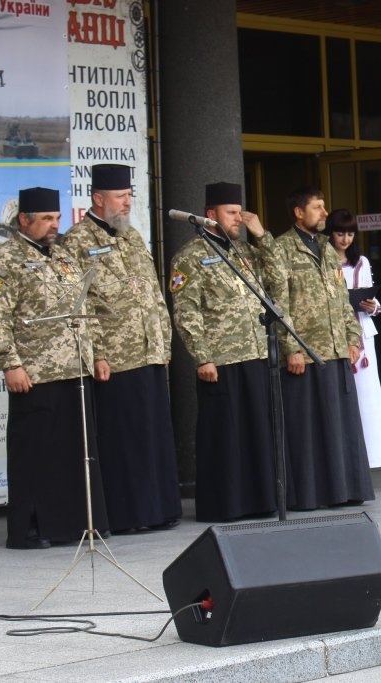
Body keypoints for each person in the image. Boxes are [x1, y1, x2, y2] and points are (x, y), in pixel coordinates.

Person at [0, 187, 109, 548]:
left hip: (74, 367)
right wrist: (10, 364)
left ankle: (72, 523)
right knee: (36, 453)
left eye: (57, 218)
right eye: (47, 219)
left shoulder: (63, 256)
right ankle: (33, 528)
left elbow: (85, 305)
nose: (55, 225)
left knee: (74, 453)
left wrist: (97, 354)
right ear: (24, 220)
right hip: (35, 372)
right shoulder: (5, 261)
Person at [61, 164, 181, 534]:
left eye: (129, 195)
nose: (127, 202)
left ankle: (160, 508)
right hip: (115, 355)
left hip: (149, 349)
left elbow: (152, 292)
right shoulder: (76, 242)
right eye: (120, 196)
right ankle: (130, 514)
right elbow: (79, 303)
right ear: (98, 199)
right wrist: (96, 352)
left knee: (154, 432)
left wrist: (163, 340)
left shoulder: (132, 236)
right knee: (124, 436)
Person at [168, 182, 284, 523]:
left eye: (239, 212)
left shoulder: (243, 251)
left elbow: (278, 281)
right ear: (210, 214)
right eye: (231, 213)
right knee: (225, 433)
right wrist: (202, 356)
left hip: (255, 352)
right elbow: (186, 312)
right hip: (221, 358)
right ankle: (225, 504)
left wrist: (261, 236)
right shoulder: (190, 256)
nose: (238, 219)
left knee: (257, 432)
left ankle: (260, 500)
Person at [269, 187, 375, 509]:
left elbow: (341, 298)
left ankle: (345, 490)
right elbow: (278, 304)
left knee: (341, 427)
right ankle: (310, 495)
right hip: (307, 351)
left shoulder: (327, 248)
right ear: (299, 212)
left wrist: (352, 338)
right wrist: (291, 348)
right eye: (317, 207)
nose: (325, 213)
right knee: (308, 429)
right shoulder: (282, 248)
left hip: (336, 349)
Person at [326, 209, 381, 469]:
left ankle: (371, 456)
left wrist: (372, 305)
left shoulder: (361, 262)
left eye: (350, 234)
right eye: (340, 233)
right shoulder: (323, 260)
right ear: (330, 234)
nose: (345, 239)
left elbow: (373, 301)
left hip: (363, 335)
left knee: (367, 395)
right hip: (333, 335)